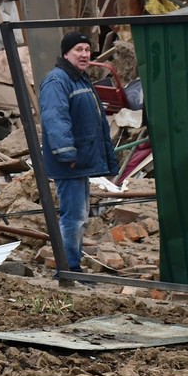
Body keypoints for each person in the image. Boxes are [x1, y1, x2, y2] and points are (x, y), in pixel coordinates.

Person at [39, 31, 118, 274]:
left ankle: (72, 266)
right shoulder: (58, 81)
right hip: (70, 163)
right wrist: (67, 154)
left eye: (87, 49)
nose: (84, 54)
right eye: (78, 50)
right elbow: (55, 119)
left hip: (80, 161)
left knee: (79, 216)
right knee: (73, 218)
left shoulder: (79, 79)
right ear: (66, 53)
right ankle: (69, 269)